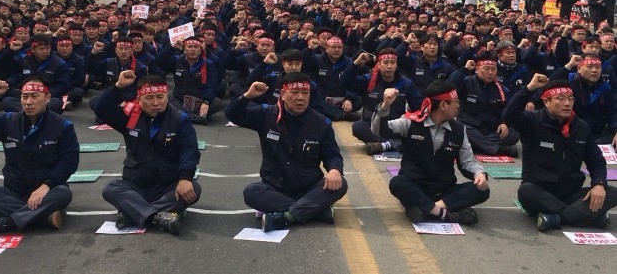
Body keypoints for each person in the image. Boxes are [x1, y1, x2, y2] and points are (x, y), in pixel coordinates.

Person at [225, 72, 347, 232]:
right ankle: (314, 211)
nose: (301, 98)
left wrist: (335, 170)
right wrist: (247, 96)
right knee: (251, 192)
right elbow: (232, 115)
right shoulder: (266, 114)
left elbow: (332, 155)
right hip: (275, 187)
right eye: (294, 93)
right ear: (282, 94)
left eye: (305, 93)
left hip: (308, 186)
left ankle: (286, 216)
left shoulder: (321, 122)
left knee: (340, 184)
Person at [502, 74, 617, 231]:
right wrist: (529, 88)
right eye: (561, 99)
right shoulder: (532, 121)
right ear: (546, 102)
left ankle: (556, 218)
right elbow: (508, 116)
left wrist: (599, 184)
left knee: (610, 192)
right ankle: (587, 217)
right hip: (540, 192)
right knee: (526, 191)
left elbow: (596, 160)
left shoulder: (582, 127)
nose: (567, 103)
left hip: (571, 193)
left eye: (570, 99)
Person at [93, 71, 201, 235]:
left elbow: (190, 151)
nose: (156, 103)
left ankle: (133, 214)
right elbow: (101, 109)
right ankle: (158, 217)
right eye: (149, 98)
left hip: (168, 185)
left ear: (167, 96)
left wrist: (185, 178)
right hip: (137, 185)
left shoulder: (180, 119)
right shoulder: (129, 117)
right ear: (139, 99)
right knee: (111, 188)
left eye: (160, 96)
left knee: (194, 188)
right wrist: (118, 87)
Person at [371, 80, 490, 225]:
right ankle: (445, 214)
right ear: (443, 105)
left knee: (482, 189)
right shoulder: (410, 122)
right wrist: (385, 106)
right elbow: (379, 131)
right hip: (415, 186)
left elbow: (467, 162)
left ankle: (426, 209)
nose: (459, 106)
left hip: (444, 190)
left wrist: (479, 174)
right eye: (455, 102)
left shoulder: (459, 129)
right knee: (397, 183)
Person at [0, 77, 79, 232]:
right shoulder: (8, 121)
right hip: (14, 192)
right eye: (25, 96)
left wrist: (46, 186)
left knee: (63, 193)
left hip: (46, 192)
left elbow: (70, 161)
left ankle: (9, 222)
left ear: (47, 98)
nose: (28, 102)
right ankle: (43, 217)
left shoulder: (62, 126)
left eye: (34, 96)